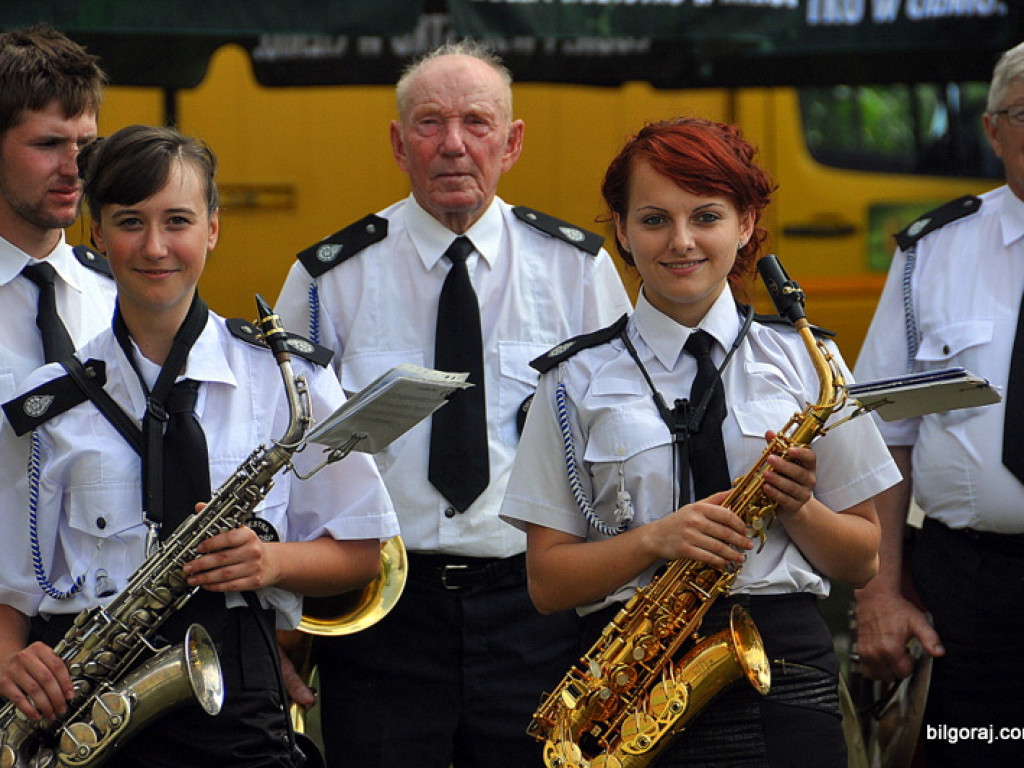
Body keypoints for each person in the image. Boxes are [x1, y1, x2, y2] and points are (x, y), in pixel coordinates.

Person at [499, 116, 901, 767]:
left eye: (707, 216)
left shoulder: (810, 362)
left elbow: (861, 561)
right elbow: (547, 583)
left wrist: (798, 505)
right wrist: (655, 540)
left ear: (745, 225)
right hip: (634, 685)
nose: (681, 241)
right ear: (621, 231)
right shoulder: (571, 379)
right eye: (654, 219)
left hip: (785, 670)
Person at [274, 39, 631, 768]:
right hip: (383, 619)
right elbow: (286, 463)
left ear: (513, 141)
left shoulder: (577, 270)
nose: (454, 144)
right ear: (398, 144)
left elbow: (622, 444)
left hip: (536, 609)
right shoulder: (327, 279)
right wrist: (283, 627)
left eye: (477, 122)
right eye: (430, 123)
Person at [0, 125, 399, 768]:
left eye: (178, 221)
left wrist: (271, 563)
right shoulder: (45, 405)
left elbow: (360, 553)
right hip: (80, 701)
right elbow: (9, 589)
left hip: (237, 700)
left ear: (212, 228)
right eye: (130, 222)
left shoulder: (289, 379)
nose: (155, 246)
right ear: (96, 234)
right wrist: (10, 661)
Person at [853, 41, 1024, 768]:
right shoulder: (933, 250)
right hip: (970, 593)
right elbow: (882, 435)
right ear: (993, 131)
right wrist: (879, 594)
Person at [0, 24, 116, 624]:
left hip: (105, 629)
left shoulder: (120, 294)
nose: (75, 168)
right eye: (48, 144)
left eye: (87, 145)